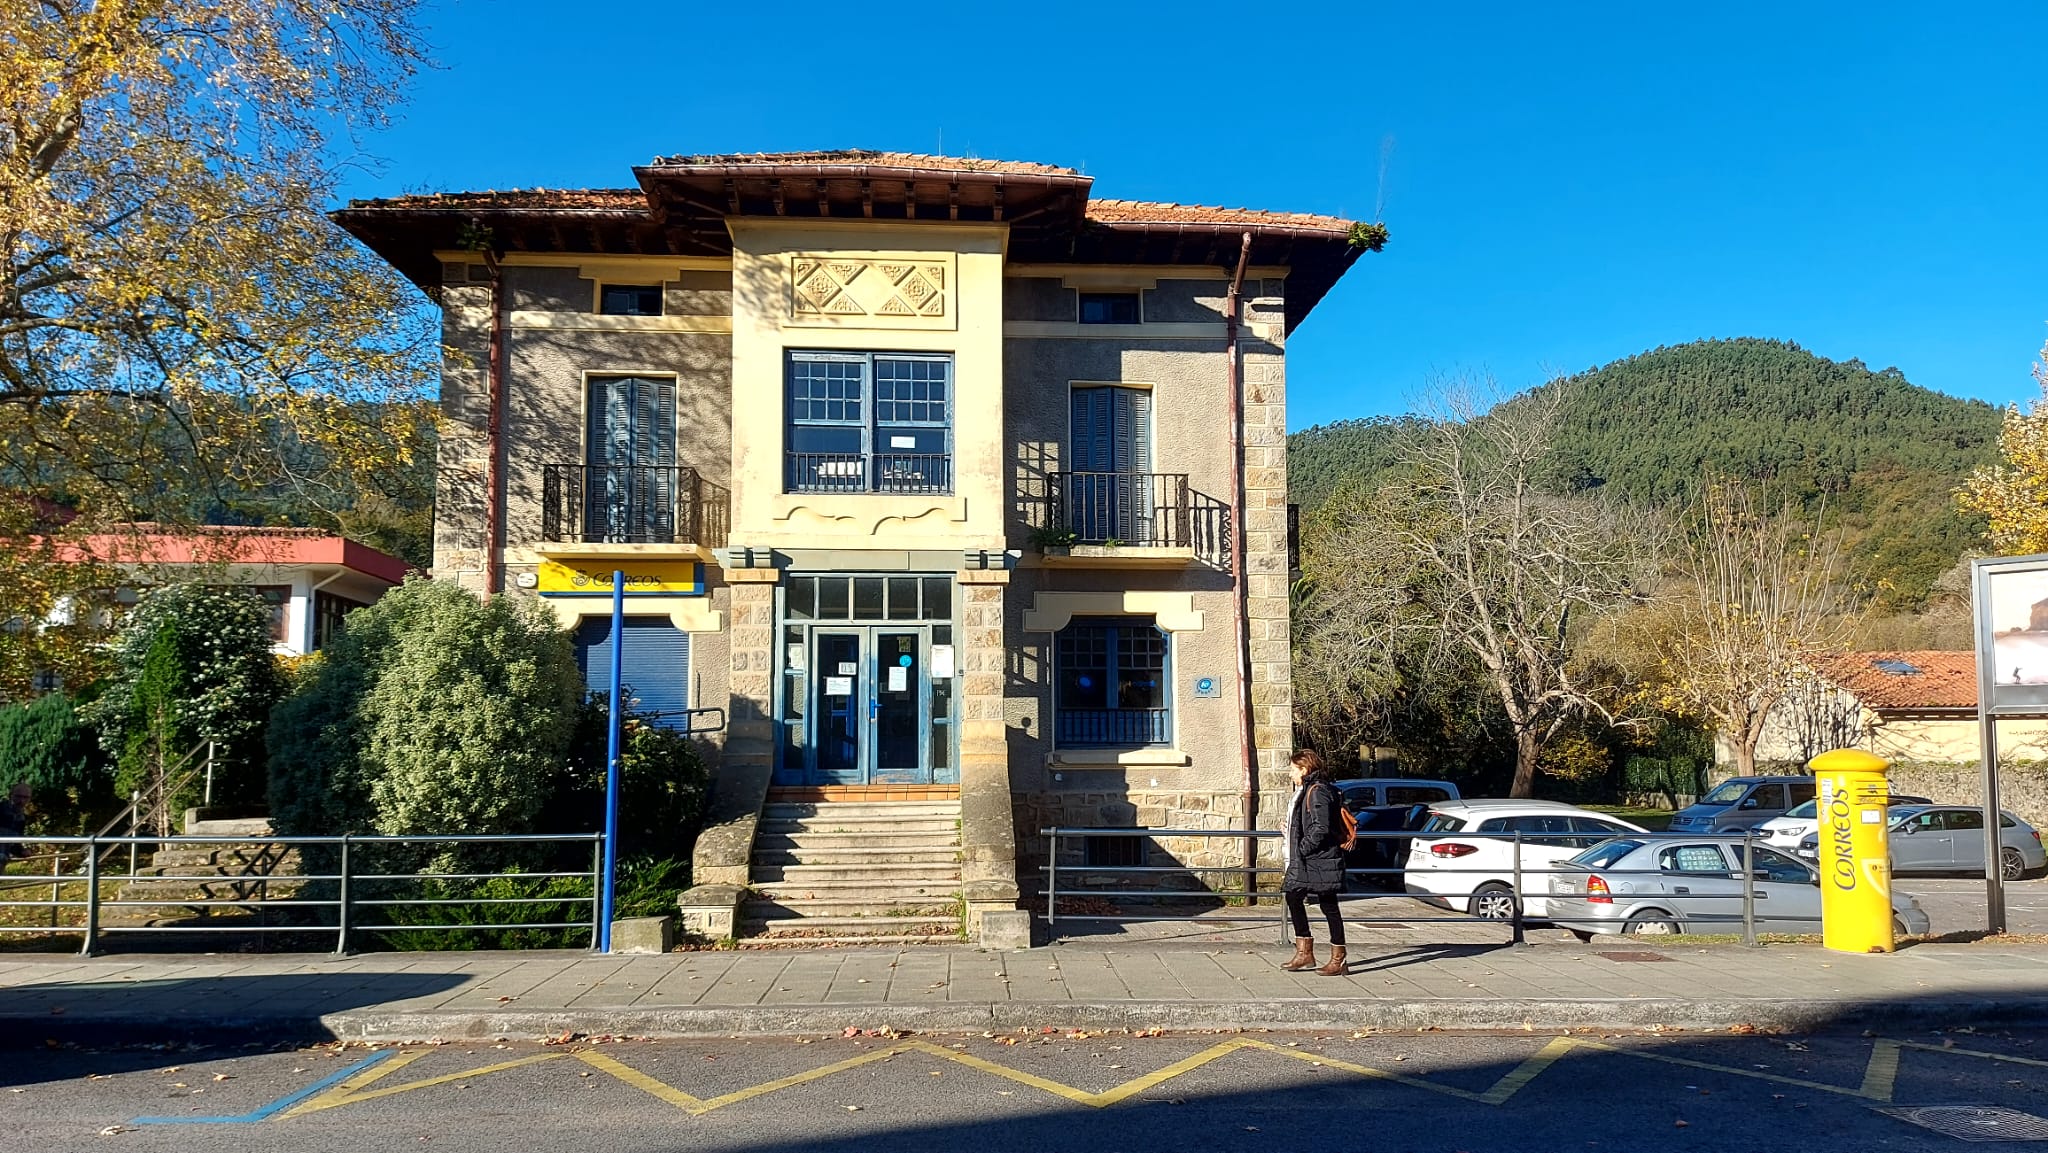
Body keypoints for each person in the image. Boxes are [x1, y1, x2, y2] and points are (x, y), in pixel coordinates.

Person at [1279, 750, 1349, 975]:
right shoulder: (1308, 789)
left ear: (1304, 769)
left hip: (1319, 858)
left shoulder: (1317, 791)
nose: (1290, 774)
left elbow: (1321, 827)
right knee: (1293, 894)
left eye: (1293, 769)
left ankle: (1337, 959)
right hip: (1311, 858)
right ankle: (1305, 952)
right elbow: (1308, 823)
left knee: (1328, 904)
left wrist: (1302, 847)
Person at [0, 782, 28, 867]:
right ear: (10, 795)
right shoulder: (1, 811)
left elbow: (14, 843)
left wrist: (22, 852)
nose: (21, 801)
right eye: (18, 796)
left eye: (25, 797)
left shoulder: (21, 818)